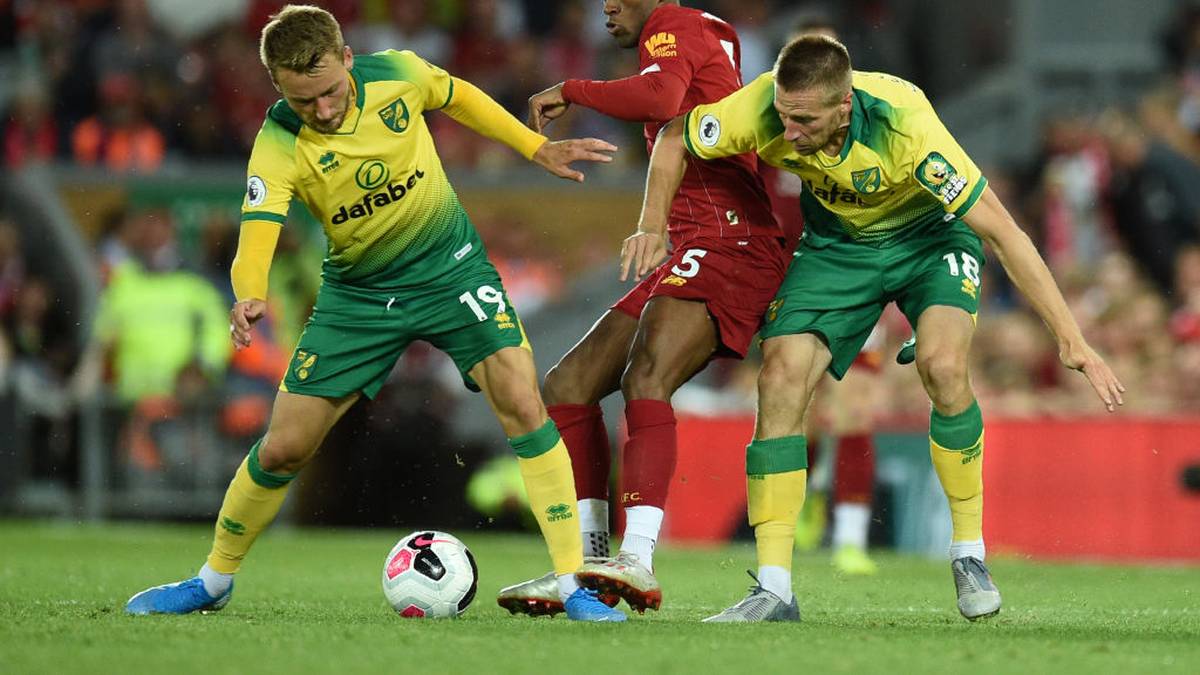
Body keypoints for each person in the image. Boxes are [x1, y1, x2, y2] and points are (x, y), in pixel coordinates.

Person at [124, 4, 626, 622]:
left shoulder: (400, 75)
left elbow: (459, 95)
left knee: (523, 401)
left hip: (451, 269)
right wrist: (248, 290)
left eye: (331, 92)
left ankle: (570, 583)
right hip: (358, 296)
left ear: (348, 60)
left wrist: (532, 147)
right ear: (279, 87)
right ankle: (212, 582)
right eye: (304, 101)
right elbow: (258, 231)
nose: (324, 111)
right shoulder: (280, 141)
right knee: (284, 448)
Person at [627, 35, 1125, 622]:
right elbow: (673, 137)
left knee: (942, 364)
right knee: (781, 375)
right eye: (784, 117)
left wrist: (1070, 338)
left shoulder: (905, 124)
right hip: (839, 248)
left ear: (844, 105)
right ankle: (774, 588)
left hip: (929, 239)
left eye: (804, 120)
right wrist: (652, 224)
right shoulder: (762, 106)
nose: (788, 133)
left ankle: (969, 554)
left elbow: (1005, 233)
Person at [495, 0, 788, 616]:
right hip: (697, 241)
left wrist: (572, 88)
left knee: (645, 376)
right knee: (568, 384)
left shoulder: (672, 26)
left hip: (730, 239)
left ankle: (638, 558)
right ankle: (586, 567)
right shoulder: (702, 29)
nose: (606, 7)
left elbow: (659, 99)